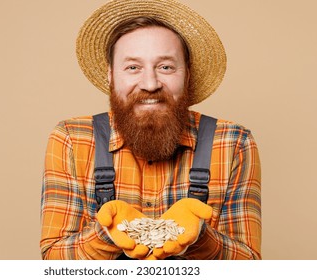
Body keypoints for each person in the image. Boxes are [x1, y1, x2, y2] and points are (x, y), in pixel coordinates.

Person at [40, 0, 261, 260]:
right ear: (111, 75)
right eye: (133, 67)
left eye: (165, 67)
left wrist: (199, 237)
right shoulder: (72, 138)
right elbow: (53, 261)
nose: (150, 84)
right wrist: (108, 234)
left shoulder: (233, 142)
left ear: (187, 75)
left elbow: (249, 265)